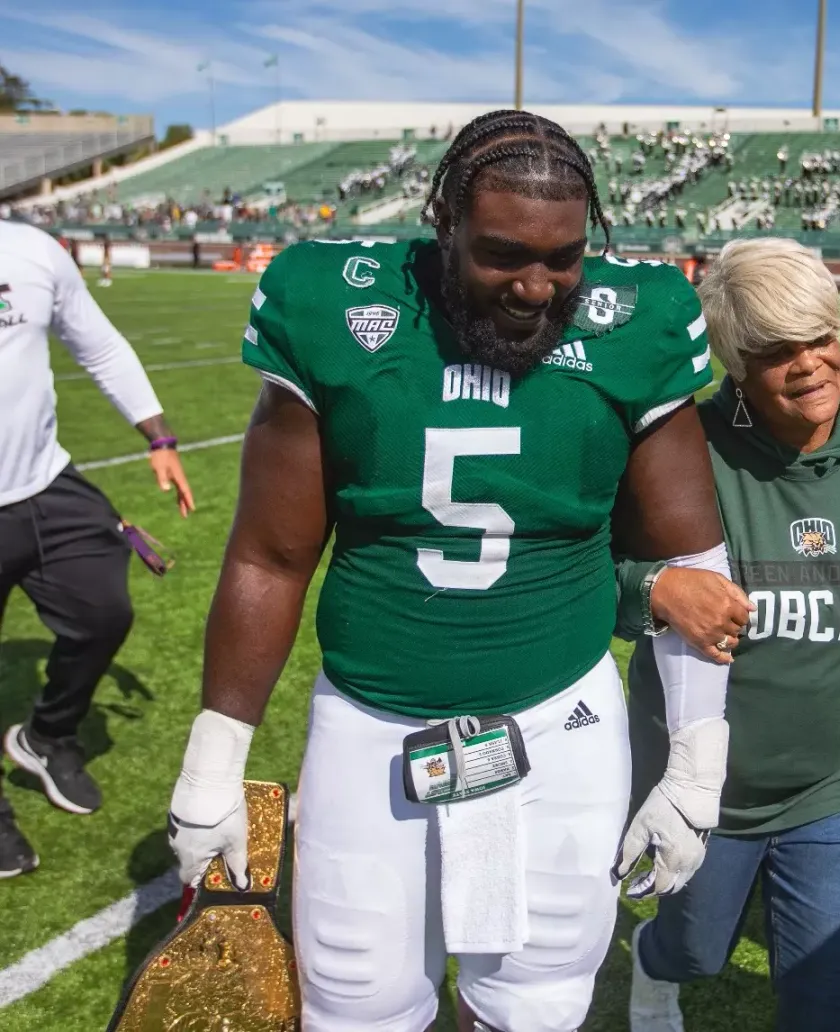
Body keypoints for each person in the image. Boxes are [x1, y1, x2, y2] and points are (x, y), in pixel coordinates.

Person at [165, 110, 734, 1032]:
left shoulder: (639, 316)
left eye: (564, 257)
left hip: (560, 722)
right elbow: (271, 554)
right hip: (371, 721)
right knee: (356, 1002)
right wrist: (213, 758)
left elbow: (692, 564)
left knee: (537, 1003)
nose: (537, 286)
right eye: (503, 254)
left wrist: (698, 769)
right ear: (442, 222)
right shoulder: (338, 304)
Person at [615, 238, 840, 1032]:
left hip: (836, 791)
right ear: (736, 364)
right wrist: (656, 589)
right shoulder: (685, 452)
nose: (809, 364)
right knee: (695, 952)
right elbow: (580, 580)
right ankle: (653, 961)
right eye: (777, 351)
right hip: (707, 786)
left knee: (826, 1003)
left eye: (820, 337)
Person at [0, 218, 193, 877]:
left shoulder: (31, 250)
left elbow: (101, 348)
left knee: (103, 612)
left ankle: (47, 736)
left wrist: (159, 436)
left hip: (45, 482)